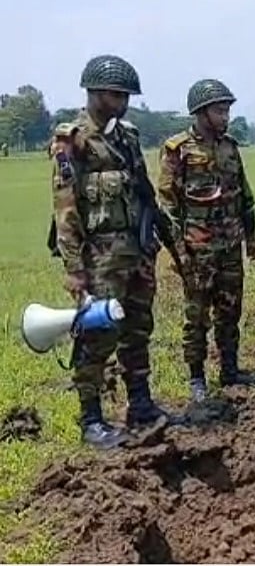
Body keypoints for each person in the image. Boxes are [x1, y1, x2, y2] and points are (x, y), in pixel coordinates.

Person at [50, 54, 178, 449]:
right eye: (115, 94)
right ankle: (91, 419)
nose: (122, 102)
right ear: (94, 92)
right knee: (97, 335)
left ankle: (140, 403)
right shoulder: (71, 140)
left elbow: (145, 193)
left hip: (137, 250)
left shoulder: (129, 138)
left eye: (126, 96)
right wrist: (75, 270)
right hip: (99, 258)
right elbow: (65, 210)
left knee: (138, 329)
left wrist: (164, 237)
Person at [157, 79, 255, 403]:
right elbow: (168, 206)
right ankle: (197, 379)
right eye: (219, 110)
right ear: (201, 113)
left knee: (230, 311)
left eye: (228, 110)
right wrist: (179, 252)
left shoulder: (230, 147)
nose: (225, 116)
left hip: (230, 244)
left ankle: (230, 370)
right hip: (197, 248)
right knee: (197, 316)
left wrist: (251, 236)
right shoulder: (178, 150)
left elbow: (243, 194)